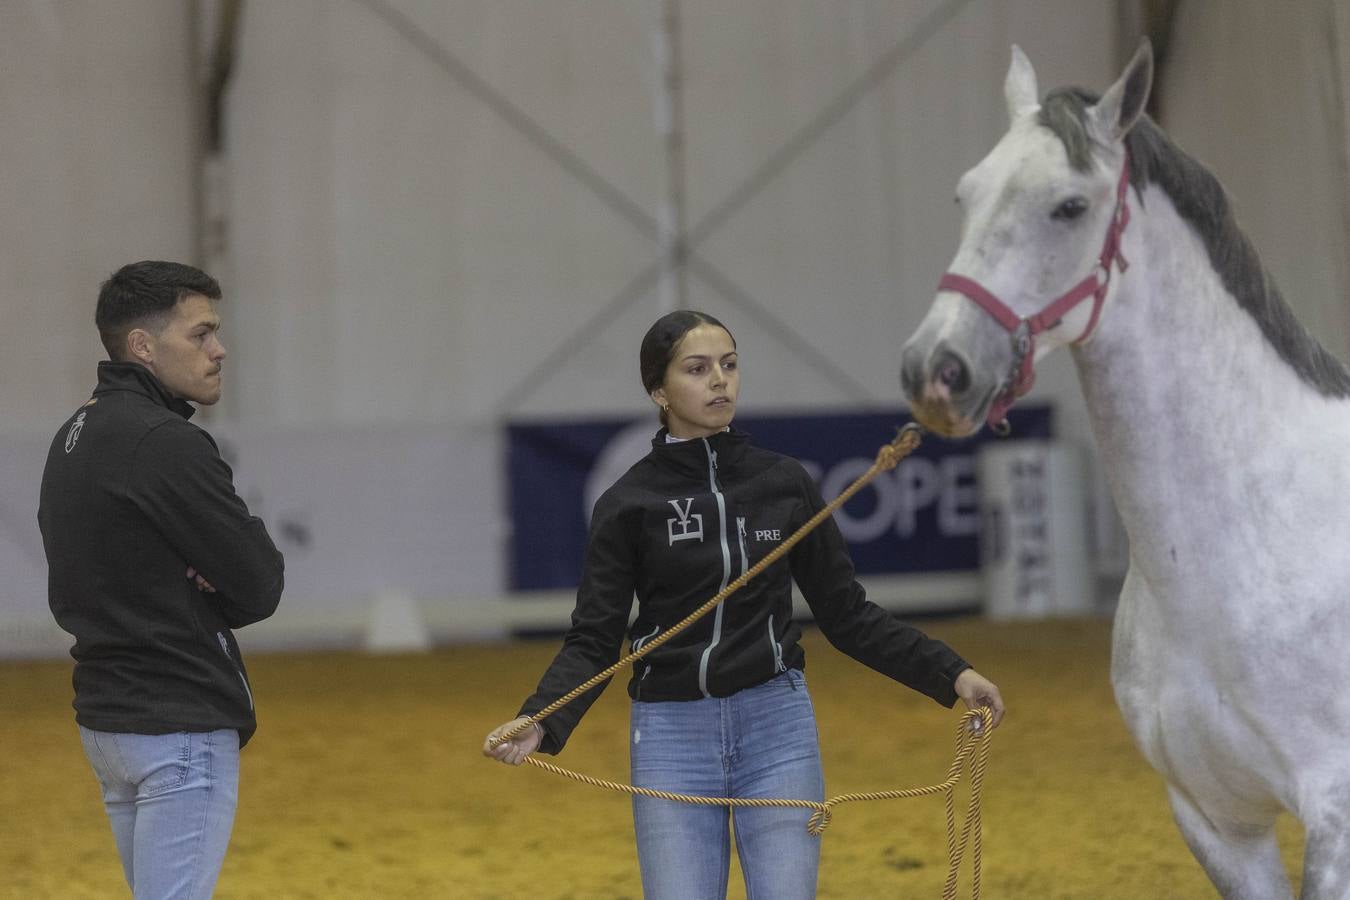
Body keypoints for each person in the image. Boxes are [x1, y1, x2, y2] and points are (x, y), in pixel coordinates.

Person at [484, 309, 1005, 900]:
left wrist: (952, 672)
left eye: (729, 366)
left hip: (777, 730)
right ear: (659, 390)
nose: (719, 381)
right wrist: (542, 721)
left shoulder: (784, 484)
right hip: (671, 738)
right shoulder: (627, 503)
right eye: (698, 369)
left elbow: (848, 614)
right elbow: (594, 640)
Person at [38, 260, 285, 900]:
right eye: (200, 334)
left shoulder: (74, 433)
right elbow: (259, 584)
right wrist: (204, 575)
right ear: (143, 346)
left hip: (107, 716)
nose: (219, 349)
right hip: (175, 716)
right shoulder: (163, 441)